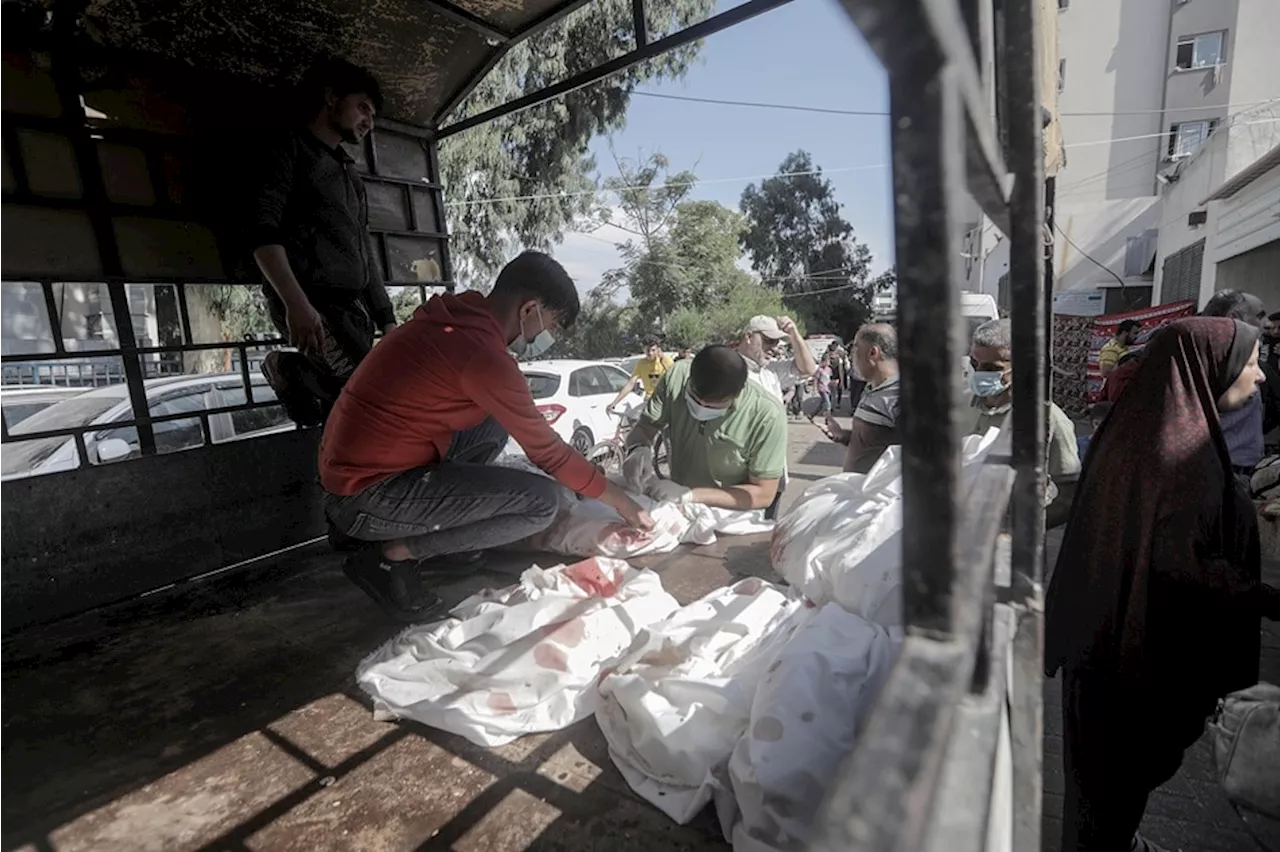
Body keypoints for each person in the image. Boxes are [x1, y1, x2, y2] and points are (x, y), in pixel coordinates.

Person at [1045, 317, 1280, 852]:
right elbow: (1180, 566)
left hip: (1100, 645)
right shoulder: (1181, 457)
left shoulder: (1141, 429)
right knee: (1112, 786)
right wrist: (1265, 597)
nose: (1261, 376)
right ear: (1211, 368)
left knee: (1098, 789)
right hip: (1136, 659)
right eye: (1249, 362)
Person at [320, 252, 653, 621]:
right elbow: (550, 455)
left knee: (493, 422)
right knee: (542, 502)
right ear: (529, 310)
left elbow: (536, 438)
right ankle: (391, 556)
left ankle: (440, 535)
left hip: (349, 481)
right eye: (553, 325)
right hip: (367, 497)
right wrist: (624, 503)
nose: (549, 338)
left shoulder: (453, 320)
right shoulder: (483, 355)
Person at [250, 59, 396, 427]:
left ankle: (336, 474)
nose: (369, 122)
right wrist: (295, 304)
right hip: (311, 304)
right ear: (332, 98)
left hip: (353, 312)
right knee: (367, 398)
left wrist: (388, 320)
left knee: (347, 410)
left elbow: (364, 253)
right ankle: (289, 368)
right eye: (363, 107)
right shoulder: (289, 149)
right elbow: (261, 231)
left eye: (373, 115)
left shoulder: (350, 175)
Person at [622, 345, 787, 512]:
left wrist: (692, 496)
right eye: (693, 398)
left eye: (714, 406)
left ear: (737, 394)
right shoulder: (676, 376)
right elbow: (644, 428)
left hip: (730, 515)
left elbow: (764, 493)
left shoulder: (767, 415)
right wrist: (638, 448)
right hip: (677, 507)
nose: (701, 408)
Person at [967, 318, 1081, 528]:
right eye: (975, 364)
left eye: (991, 368)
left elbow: (1069, 496)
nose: (979, 372)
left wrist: (1021, 531)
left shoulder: (1046, 418)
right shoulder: (961, 405)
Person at [730, 315, 818, 519]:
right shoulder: (729, 371)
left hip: (773, 477)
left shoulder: (770, 372)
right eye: (768, 340)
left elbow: (808, 369)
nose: (774, 347)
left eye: (777, 341)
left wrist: (794, 334)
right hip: (741, 480)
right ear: (749, 336)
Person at [1202, 290, 1270, 483]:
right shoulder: (1212, 362)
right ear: (1233, 319)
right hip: (1223, 474)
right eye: (1260, 315)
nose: (1268, 323)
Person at [822, 323, 901, 474]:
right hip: (858, 492)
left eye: (856, 348)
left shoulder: (897, 396)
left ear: (873, 353)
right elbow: (876, 441)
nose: (852, 355)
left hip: (877, 495)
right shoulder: (871, 388)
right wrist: (843, 435)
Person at [606, 337, 673, 414]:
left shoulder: (666, 360)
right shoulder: (641, 364)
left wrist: (663, 360)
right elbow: (631, 383)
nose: (650, 353)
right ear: (643, 349)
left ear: (658, 349)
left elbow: (674, 377)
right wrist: (614, 403)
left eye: (653, 350)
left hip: (664, 401)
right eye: (648, 350)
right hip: (649, 401)